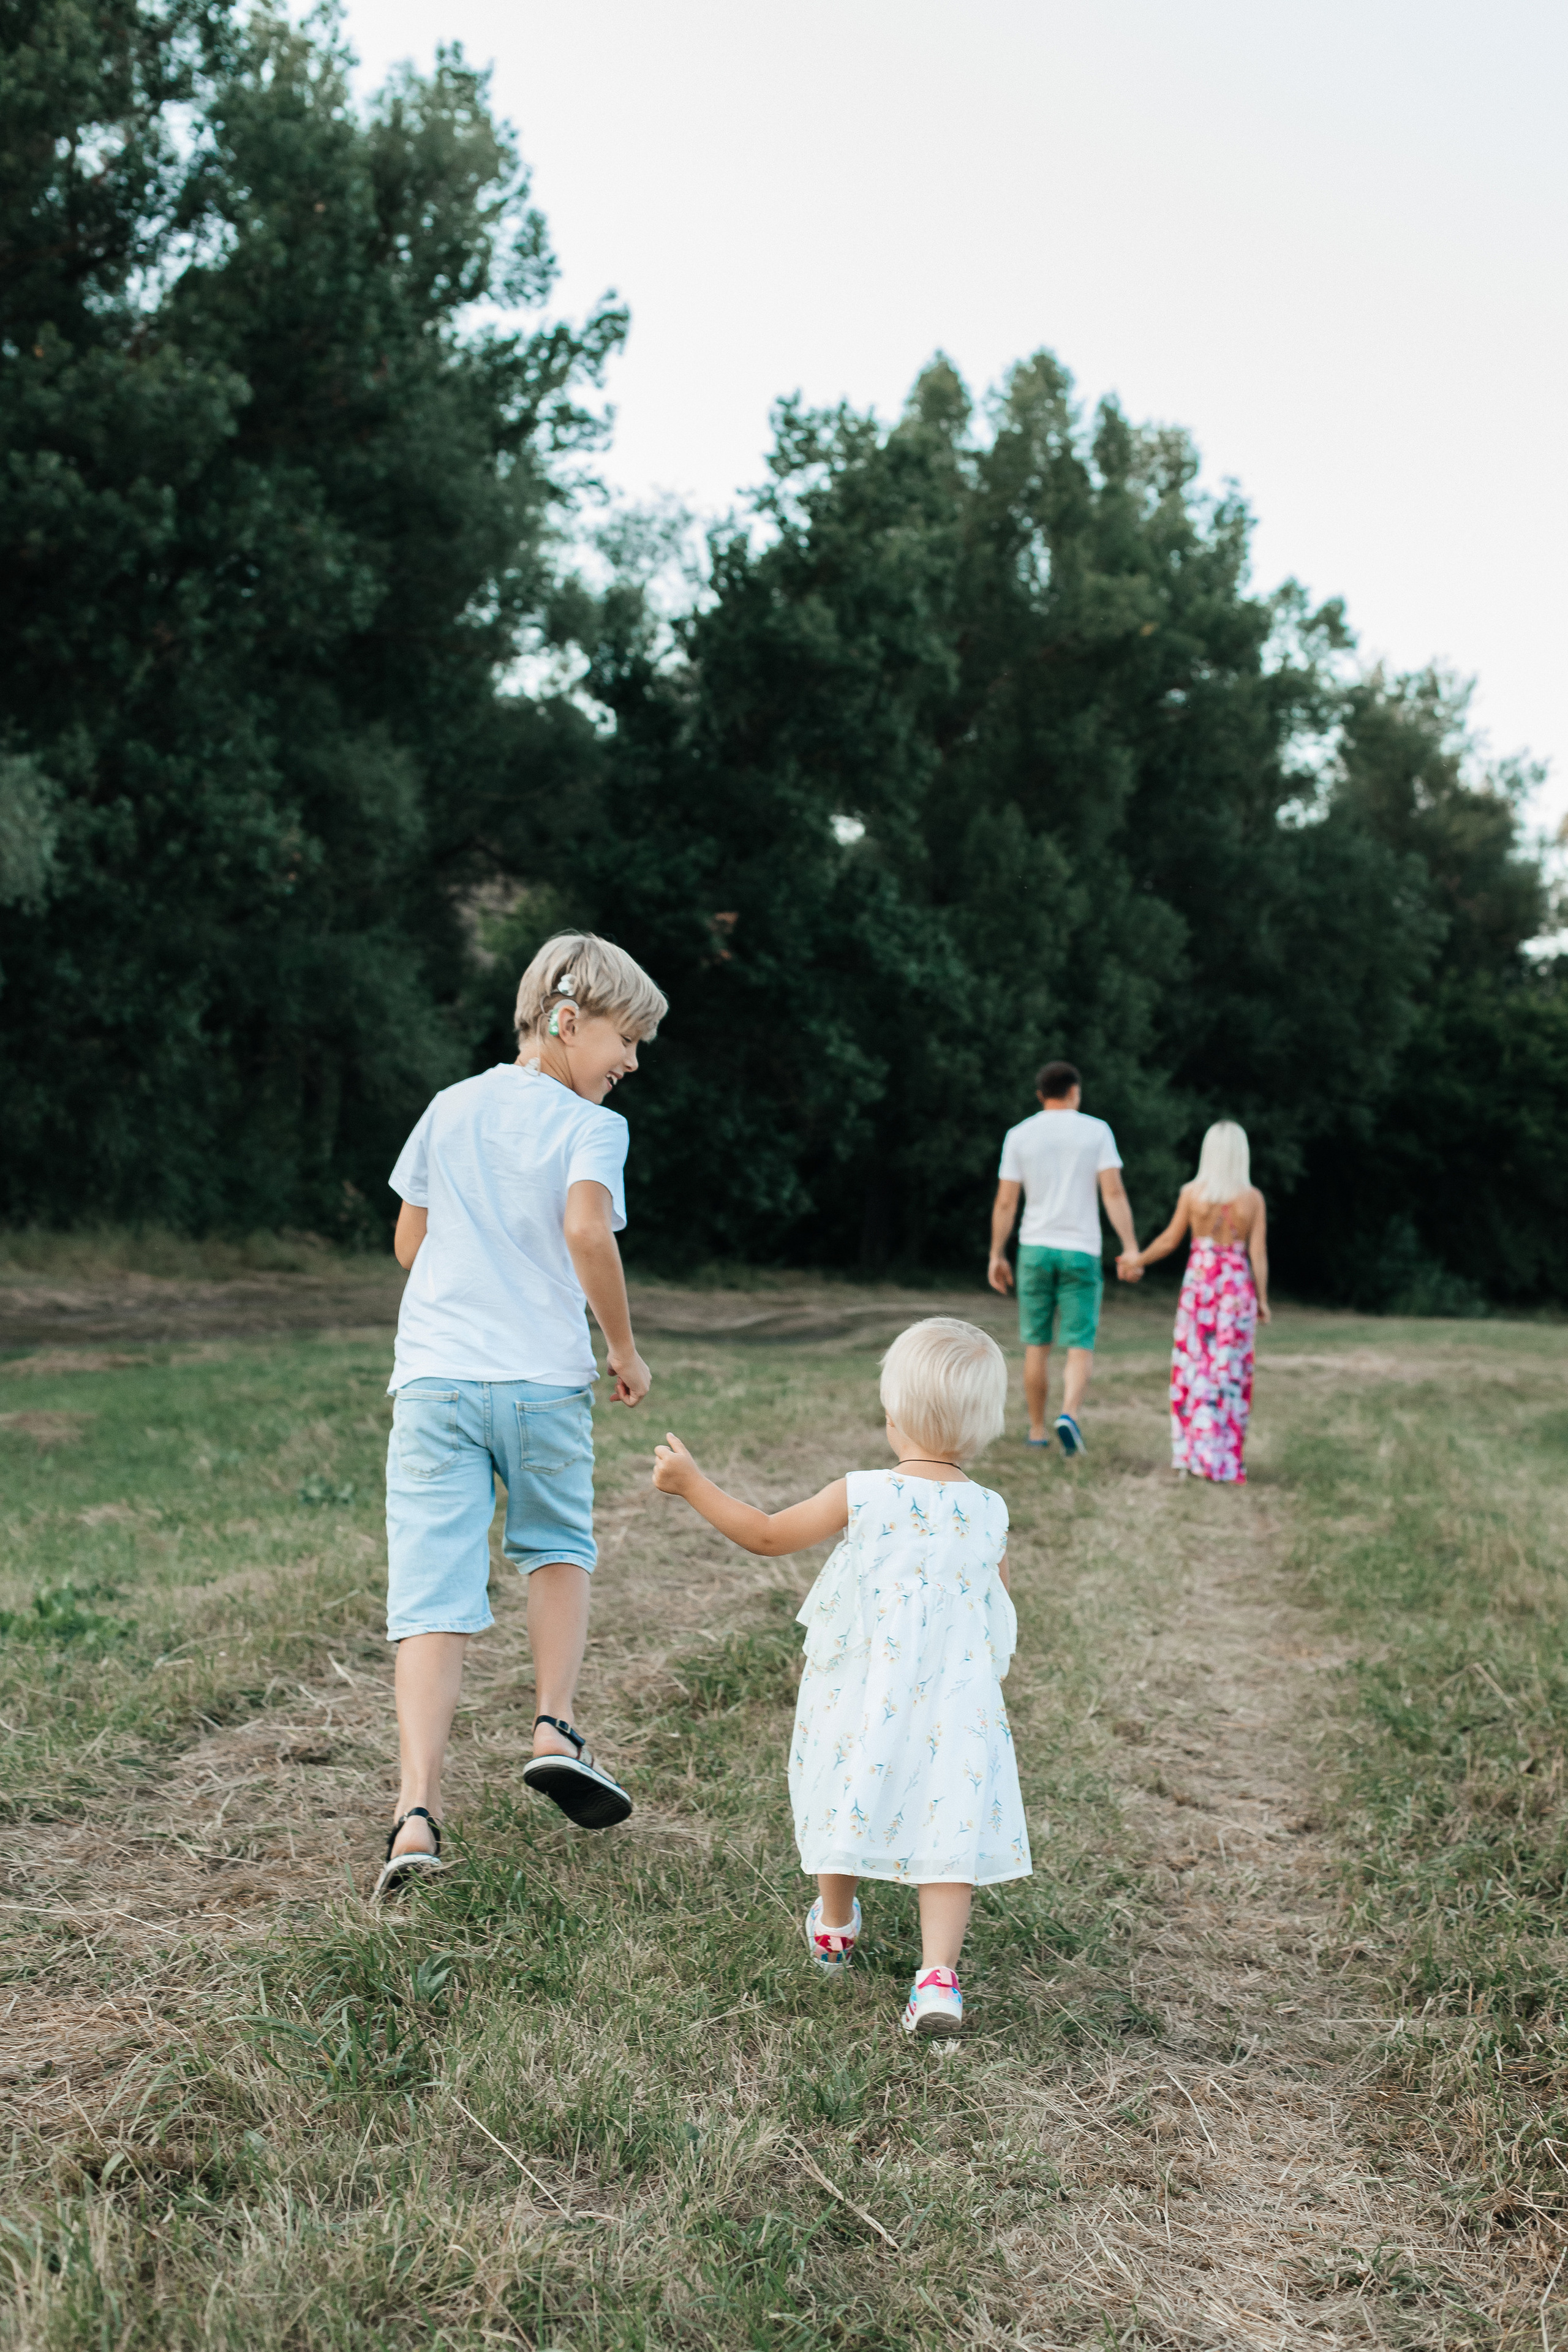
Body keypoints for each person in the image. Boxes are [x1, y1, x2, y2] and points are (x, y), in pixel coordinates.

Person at [374, 932, 668, 1898]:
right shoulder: (591, 1129)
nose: (632, 1062)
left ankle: (416, 1816)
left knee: (431, 1594)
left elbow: (410, 1243)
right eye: (627, 1040)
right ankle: (554, 1726)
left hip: (435, 1383)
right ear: (568, 1019)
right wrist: (620, 1348)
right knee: (556, 1549)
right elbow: (586, 1228)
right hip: (541, 1382)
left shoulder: (448, 1107)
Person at [650, 1317, 1028, 2038]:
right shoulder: (990, 1512)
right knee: (947, 1821)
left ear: (892, 1414)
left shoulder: (863, 1494)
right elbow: (998, 1605)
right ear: (985, 1426)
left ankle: (832, 1926)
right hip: (957, 1704)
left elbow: (765, 1535)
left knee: (847, 1788)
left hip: (864, 1693)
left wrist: (692, 1484)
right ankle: (938, 1978)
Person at [988, 1061, 1139, 1457]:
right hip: (1081, 1249)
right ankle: (1069, 1414)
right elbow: (1114, 1194)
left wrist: (996, 1254)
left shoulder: (1019, 1135)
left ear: (1041, 1095)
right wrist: (1130, 1245)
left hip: (1035, 1248)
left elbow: (1006, 1202)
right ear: (1074, 1092)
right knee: (1079, 1343)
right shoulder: (1096, 1131)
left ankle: (1037, 1430)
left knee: (1036, 1344)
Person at [1125, 1118, 1270, 1484]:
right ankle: (1222, 1459)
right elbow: (1258, 1253)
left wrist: (1136, 1260)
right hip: (1236, 1289)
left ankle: (1191, 1454)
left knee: (1194, 1366)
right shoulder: (1252, 1199)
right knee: (1228, 1373)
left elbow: (1170, 1241)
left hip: (1201, 1286)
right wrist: (1263, 1299)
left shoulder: (1193, 1194)